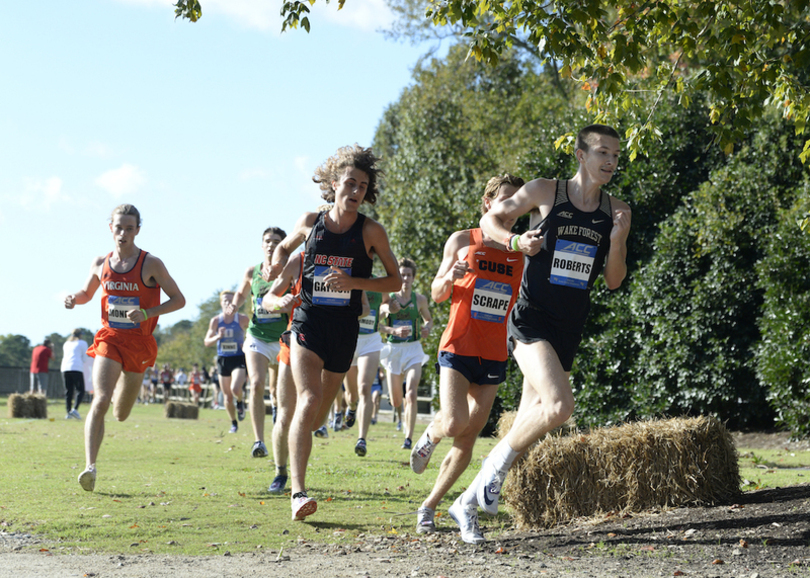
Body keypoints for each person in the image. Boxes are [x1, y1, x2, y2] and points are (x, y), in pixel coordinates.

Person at [454, 124, 631, 542]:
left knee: (531, 421)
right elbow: (490, 218)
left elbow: (613, 281)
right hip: (530, 318)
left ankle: (465, 502)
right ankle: (492, 472)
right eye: (602, 152)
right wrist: (515, 242)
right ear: (580, 154)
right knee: (559, 406)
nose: (610, 162)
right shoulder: (544, 192)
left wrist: (618, 241)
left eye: (616, 156)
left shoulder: (616, 208)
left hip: (569, 326)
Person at [269, 144, 402, 520]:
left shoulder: (371, 231)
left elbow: (392, 281)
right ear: (333, 184)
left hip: (345, 331)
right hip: (307, 323)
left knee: (315, 418)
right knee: (307, 401)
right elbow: (282, 248)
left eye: (362, 185)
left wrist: (352, 281)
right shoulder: (311, 221)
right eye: (349, 183)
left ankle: (296, 447)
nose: (356, 191)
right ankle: (298, 492)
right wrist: (273, 264)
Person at [407, 174, 526, 540]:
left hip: (493, 353)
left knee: (469, 437)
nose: (510, 211)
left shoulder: (520, 249)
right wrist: (450, 276)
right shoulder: (462, 240)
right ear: (487, 203)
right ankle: (430, 432)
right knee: (455, 421)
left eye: (516, 204)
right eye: (504, 201)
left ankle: (429, 506)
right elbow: (438, 292)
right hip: (458, 345)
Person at [64, 203, 186, 491]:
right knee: (100, 399)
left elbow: (179, 300)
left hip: (140, 343)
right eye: (118, 227)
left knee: (120, 413)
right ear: (111, 228)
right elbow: (86, 293)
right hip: (110, 337)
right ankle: (90, 467)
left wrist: (147, 313)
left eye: (129, 228)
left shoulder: (150, 264)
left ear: (137, 231)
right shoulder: (100, 263)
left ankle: (123, 391)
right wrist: (74, 298)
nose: (123, 233)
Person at [228, 227, 289, 458]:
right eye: (267, 241)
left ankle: (277, 416)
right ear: (262, 245)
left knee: (277, 391)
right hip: (257, 335)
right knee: (256, 384)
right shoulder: (252, 271)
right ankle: (258, 441)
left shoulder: (289, 271)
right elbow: (242, 294)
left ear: (283, 245)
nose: (271, 245)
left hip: (282, 338)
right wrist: (235, 304)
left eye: (276, 241)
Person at [262, 250, 305, 494]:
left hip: (329, 345)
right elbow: (268, 299)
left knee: (314, 418)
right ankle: (281, 472)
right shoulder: (297, 261)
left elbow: (362, 308)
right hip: (294, 343)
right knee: (285, 413)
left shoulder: (348, 259)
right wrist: (280, 302)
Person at [380, 258, 433, 450]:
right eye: (402, 274)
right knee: (396, 400)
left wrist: (427, 328)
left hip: (413, 349)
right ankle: (398, 409)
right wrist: (393, 331)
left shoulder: (419, 300)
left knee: (411, 393)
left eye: (408, 275)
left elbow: (429, 320)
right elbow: (376, 325)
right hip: (394, 350)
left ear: (413, 278)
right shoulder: (389, 299)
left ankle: (408, 438)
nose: (405, 278)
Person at [344, 289, 386, 456]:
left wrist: (390, 308)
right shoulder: (349, 280)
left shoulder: (378, 283)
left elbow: (388, 302)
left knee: (364, 389)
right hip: (349, 338)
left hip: (370, 340)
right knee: (352, 395)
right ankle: (352, 407)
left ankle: (361, 438)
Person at [204, 291, 249, 433]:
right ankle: (234, 423)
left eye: (231, 300)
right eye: (225, 301)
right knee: (227, 397)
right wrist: (218, 336)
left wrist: (247, 344)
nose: (228, 303)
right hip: (223, 359)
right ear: (221, 303)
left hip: (238, 358)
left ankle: (240, 402)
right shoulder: (216, 321)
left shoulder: (242, 319)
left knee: (236, 389)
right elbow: (207, 342)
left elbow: (254, 334)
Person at [61, 329, 89, 419]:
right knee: (80, 390)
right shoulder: (82, 343)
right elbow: (85, 358)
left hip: (65, 368)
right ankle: (75, 409)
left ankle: (68, 412)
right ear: (80, 335)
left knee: (68, 391)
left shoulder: (66, 343)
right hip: (76, 368)